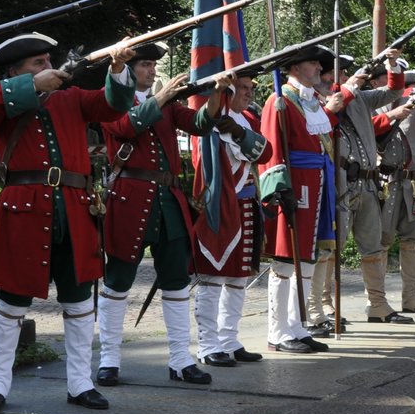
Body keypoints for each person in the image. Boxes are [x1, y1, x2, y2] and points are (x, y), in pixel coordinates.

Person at [0, 32, 135, 414]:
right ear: (15, 73)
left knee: (78, 302)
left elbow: (113, 105)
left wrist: (118, 67)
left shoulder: (72, 98)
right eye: (37, 64)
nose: (48, 67)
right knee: (10, 304)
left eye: (48, 61)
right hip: (23, 209)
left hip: (74, 208)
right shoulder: (6, 100)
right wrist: (30, 86)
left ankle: (80, 383)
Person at [95, 43, 224, 388]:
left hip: (168, 201)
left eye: (154, 65)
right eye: (146, 65)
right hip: (129, 200)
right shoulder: (110, 103)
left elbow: (200, 124)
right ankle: (109, 359)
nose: (153, 71)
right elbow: (126, 127)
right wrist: (163, 96)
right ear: (128, 70)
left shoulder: (168, 105)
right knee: (117, 282)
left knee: (177, 283)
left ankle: (181, 359)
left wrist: (218, 91)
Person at [256, 44, 338, 353]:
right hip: (294, 187)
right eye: (312, 64)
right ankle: (278, 331)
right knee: (285, 261)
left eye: (319, 65)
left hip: (317, 184)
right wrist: (279, 188)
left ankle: (296, 325)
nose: (319, 69)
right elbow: (272, 148)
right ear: (294, 69)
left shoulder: (312, 101)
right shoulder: (279, 102)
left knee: (307, 258)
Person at [326, 52, 413, 325]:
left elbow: (394, 90)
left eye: (345, 73)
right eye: (339, 73)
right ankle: (325, 305)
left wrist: (391, 66)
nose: (343, 77)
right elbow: (332, 110)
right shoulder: (324, 101)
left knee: (373, 247)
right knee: (332, 248)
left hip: (367, 182)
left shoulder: (362, 98)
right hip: (341, 183)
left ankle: (377, 304)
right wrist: (348, 88)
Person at [191, 72, 268, 364]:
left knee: (238, 277)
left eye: (250, 88)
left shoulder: (246, 119)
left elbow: (265, 151)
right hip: (220, 204)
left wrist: (238, 132)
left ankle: (229, 340)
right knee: (212, 278)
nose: (248, 93)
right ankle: (208, 346)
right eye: (242, 88)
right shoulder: (208, 120)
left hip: (245, 202)